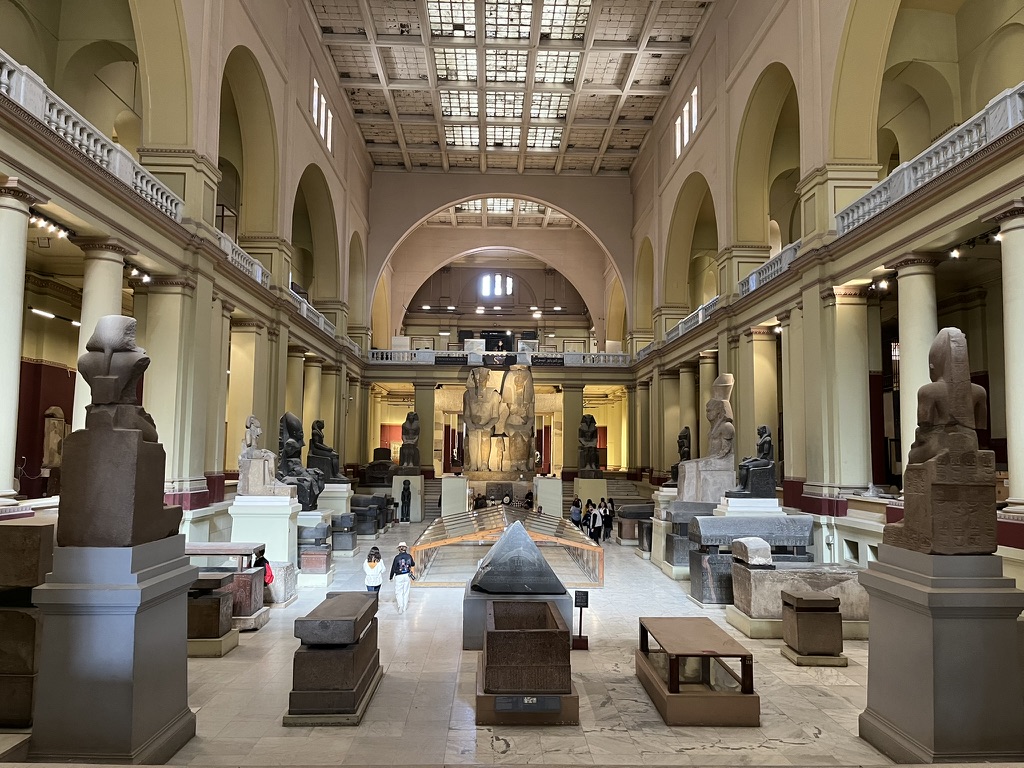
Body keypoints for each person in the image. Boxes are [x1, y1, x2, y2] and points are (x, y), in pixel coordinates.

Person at [389, 541, 416, 614]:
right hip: (407, 575)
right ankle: (405, 607)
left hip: (399, 576)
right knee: (406, 591)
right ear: (405, 548)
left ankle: (400, 606)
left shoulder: (397, 558)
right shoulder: (409, 556)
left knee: (398, 592)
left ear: (399, 549)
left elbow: (393, 568)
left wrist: (391, 577)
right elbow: (413, 564)